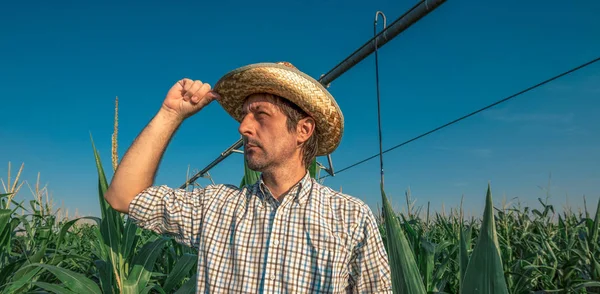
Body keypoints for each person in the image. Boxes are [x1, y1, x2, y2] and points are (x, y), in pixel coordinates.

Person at [104, 61, 393, 293]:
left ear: (303, 130)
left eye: (260, 114)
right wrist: (170, 114)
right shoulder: (215, 206)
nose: (243, 127)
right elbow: (123, 196)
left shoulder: (351, 218)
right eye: (244, 115)